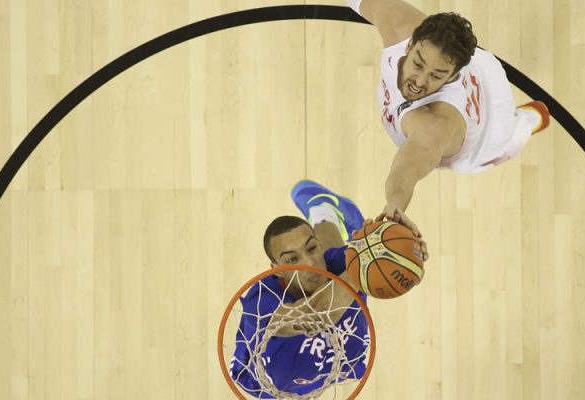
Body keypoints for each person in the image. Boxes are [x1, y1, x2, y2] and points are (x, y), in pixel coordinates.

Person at [347, 0, 551, 232]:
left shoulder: (435, 124)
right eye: (418, 64)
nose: (420, 81)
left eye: (436, 75)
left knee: (507, 143)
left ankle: (526, 122)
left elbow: (409, 166)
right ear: (410, 44)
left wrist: (395, 203)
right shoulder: (399, 24)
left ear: (453, 76)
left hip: (490, 132)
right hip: (475, 75)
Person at [229, 180, 374, 398]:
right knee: (345, 260)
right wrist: (361, 261)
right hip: (271, 380)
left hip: (337, 356)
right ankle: (325, 214)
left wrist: (398, 248)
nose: (309, 263)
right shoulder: (259, 300)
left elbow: (394, 264)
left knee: (335, 256)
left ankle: (323, 208)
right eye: (292, 259)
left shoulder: (334, 260)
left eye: (312, 248)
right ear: (277, 270)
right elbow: (310, 316)